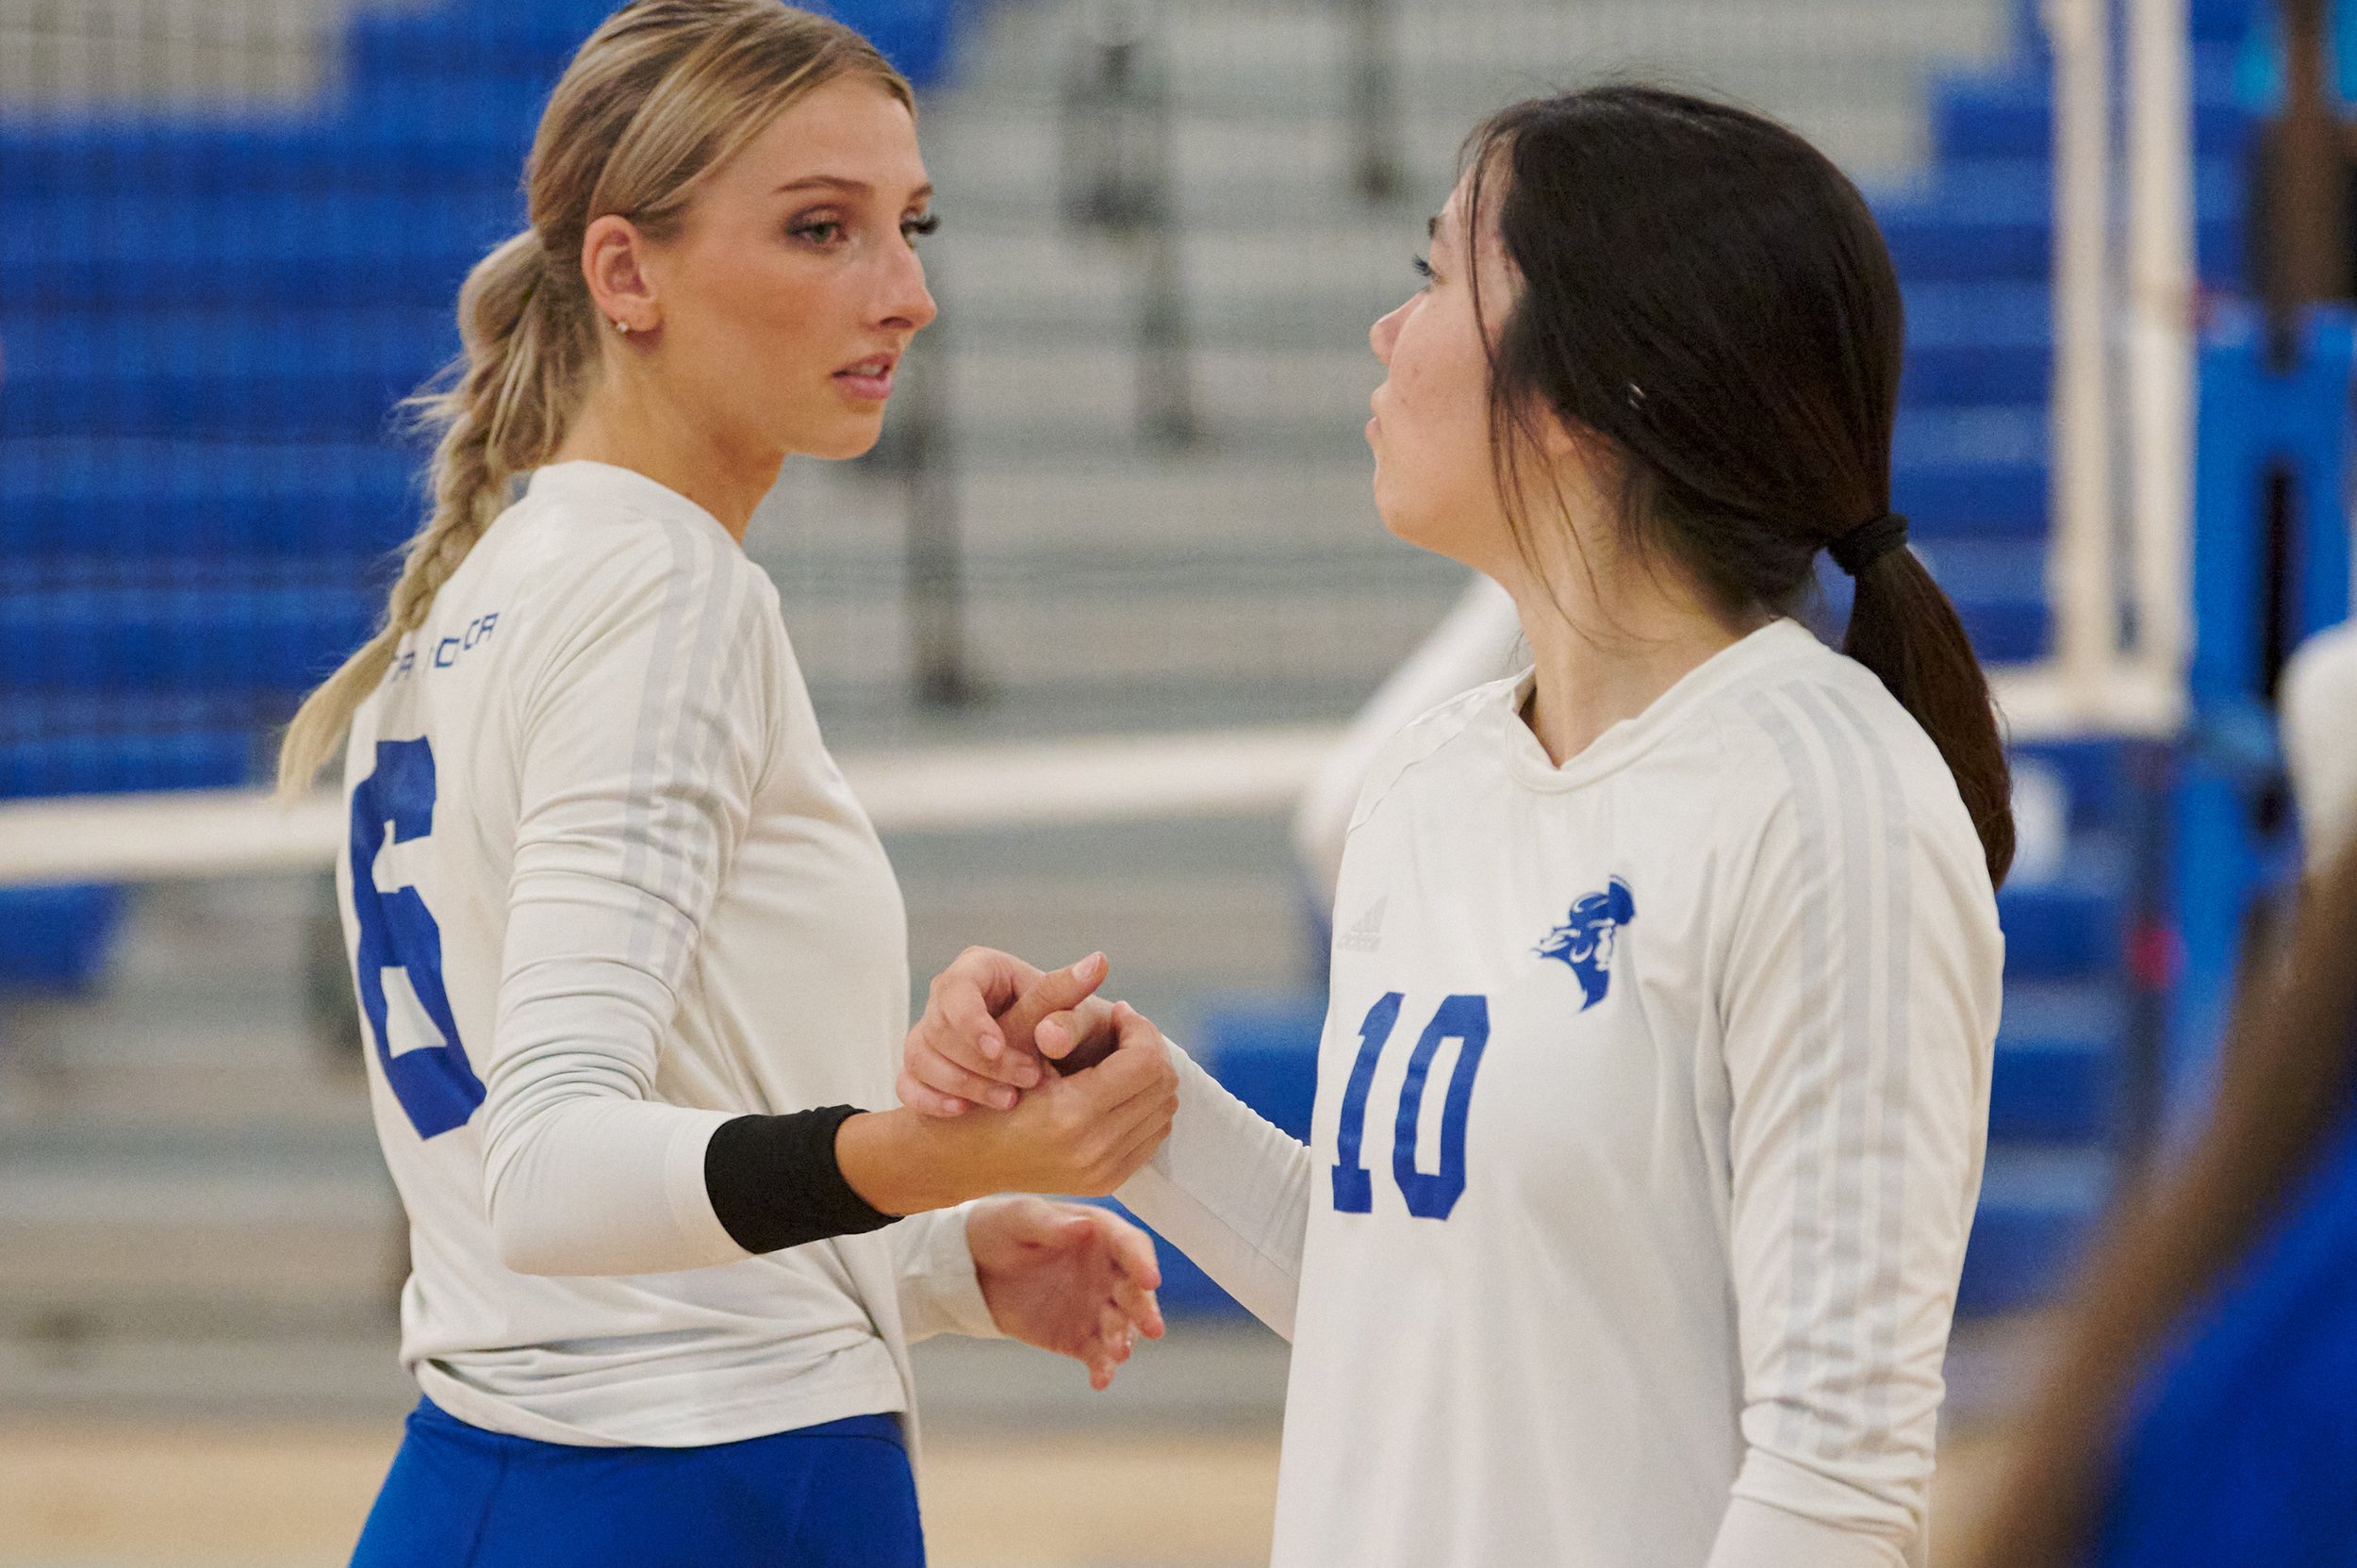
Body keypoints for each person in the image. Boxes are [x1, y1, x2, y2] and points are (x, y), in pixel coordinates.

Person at [904, 86, 2013, 1567]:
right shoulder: (1430, 779)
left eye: (1435, 278)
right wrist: (1141, 1119)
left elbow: (1837, 1485)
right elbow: (1413, 1308)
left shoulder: (1830, 808)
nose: (1387, 329)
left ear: (1582, 399)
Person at [272, 6, 1176, 1564]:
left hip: (508, 1479)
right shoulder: (661, 592)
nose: (906, 293)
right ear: (627, 275)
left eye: (912, 226)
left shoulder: (489, 584)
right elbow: (549, 1172)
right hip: (700, 1488)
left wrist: (939, 1255)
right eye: (823, 231)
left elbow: (600, 1187)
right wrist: (941, 1160)